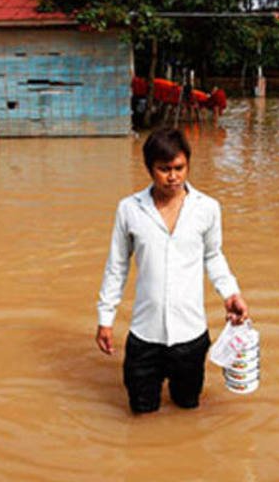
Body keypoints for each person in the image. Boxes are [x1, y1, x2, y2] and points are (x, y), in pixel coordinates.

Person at [95, 128, 249, 413]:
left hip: (190, 336)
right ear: (149, 169)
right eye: (164, 169)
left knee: (187, 408)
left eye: (179, 168)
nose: (173, 177)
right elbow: (117, 266)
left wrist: (230, 293)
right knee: (140, 411)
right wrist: (106, 319)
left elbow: (213, 256)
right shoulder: (129, 210)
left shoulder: (207, 209)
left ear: (188, 165)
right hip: (144, 335)